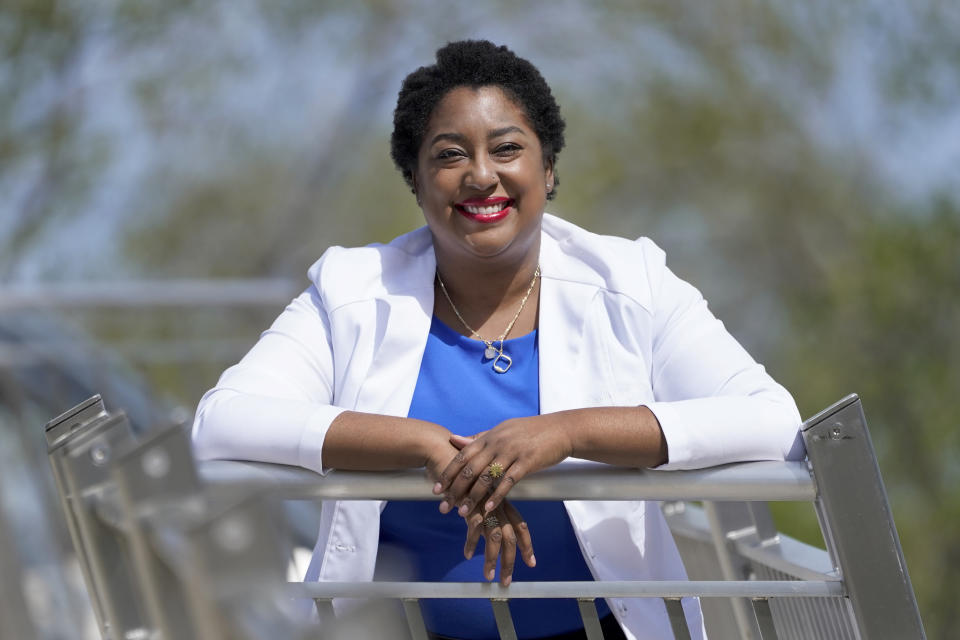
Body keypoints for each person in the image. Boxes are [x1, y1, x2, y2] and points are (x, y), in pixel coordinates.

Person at [192, 40, 804, 640]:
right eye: (450, 154)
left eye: (507, 148)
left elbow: (774, 423)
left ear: (549, 165)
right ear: (415, 176)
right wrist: (427, 447)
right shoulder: (351, 289)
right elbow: (221, 424)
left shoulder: (631, 281)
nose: (482, 176)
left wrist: (567, 432)